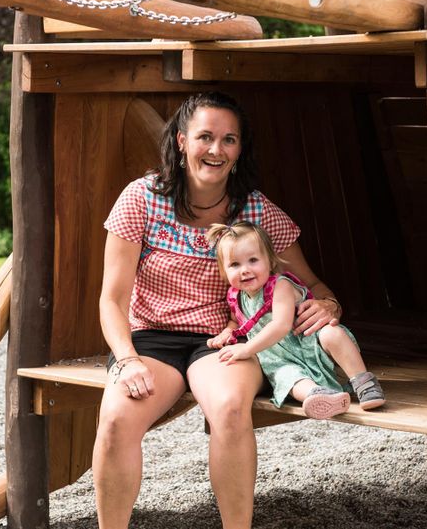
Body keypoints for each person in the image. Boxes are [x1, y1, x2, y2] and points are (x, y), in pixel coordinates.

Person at [92, 92, 345, 529]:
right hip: (151, 339)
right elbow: (111, 299)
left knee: (229, 407)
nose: (216, 149)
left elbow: (312, 284)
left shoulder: (256, 211)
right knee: (115, 417)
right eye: (205, 137)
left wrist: (328, 304)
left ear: (239, 149)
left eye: (229, 139)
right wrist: (127, 359)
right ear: (181, 141)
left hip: (227, 341)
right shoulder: (142, 199)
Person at [206, 221, 385, 420]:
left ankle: (364, 383)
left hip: (309, 342)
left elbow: (281, 325)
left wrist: (247, 349)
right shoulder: (236, 296)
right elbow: (236, 320)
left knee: (332, 333)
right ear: (224, 271)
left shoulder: (280, 286)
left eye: (253, 260)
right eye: (235, 265)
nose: (245, 270)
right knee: (286, 377)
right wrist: (227, 331)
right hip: (280, 358)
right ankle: (318, 395)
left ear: (271, 261)